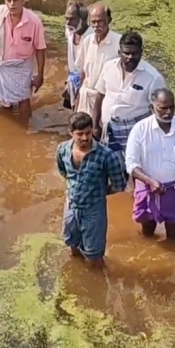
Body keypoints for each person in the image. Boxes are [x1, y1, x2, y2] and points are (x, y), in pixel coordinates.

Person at [124, 88, 175, 239]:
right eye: (163, 108)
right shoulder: (140, 129)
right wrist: (150, 181)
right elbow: (131, 164)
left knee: (174, 233)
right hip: (147, 187)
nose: (168, 112)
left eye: (172, 107)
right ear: (152, 107)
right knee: (147, 229)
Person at [56, 111, 127, 267]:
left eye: (88, 133)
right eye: (79, 134)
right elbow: (63, 171)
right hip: (71, 205)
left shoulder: (107, 156)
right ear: (70, 133)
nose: (85, 138)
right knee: (72, 246)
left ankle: (99, 285)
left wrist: (99, 192)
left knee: (94, 256)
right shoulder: (62, 150)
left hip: (94, 209)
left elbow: (119, 184)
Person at [90, 31, 165, 167]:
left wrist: (157, 140)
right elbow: (100, 95)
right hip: (108, 128)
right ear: (119, 52)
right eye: (126, 53)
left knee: (137, 170)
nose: (130, 57)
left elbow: (159, 110)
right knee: (110, 170)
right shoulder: (108, 67)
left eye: (134, 53)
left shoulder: (153, 77)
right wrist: (95, 125)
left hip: (135, 132)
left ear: (141, 52)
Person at [0, 0, 47, 114]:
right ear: (5, 1)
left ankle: (25, 129)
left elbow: (40, 49)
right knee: (4, 103)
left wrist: (40, 75)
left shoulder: (34, 21)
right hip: (2, 66)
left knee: (24, 102)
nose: (12, 4)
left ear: (23, 0)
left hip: (22, 67)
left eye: (16, 0)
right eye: (9, 0)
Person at [75, 4, 119, 120]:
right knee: (81, 133)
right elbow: (83, 72)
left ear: (109, 20)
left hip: (106, 100)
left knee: (101, 134)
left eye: (100, 21)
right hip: (86, 96)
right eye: (93, 22)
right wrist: (77, 98)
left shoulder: (119, 43)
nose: (96, 25)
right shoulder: (87, 41)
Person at [62, 0, 90, 109]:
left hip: (86, 83)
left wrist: (81, 89)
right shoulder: (69, 31)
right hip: (72, 78)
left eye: (72, 19)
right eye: (66, 18)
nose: (68, 23)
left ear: (82, 20)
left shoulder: (91, 37)